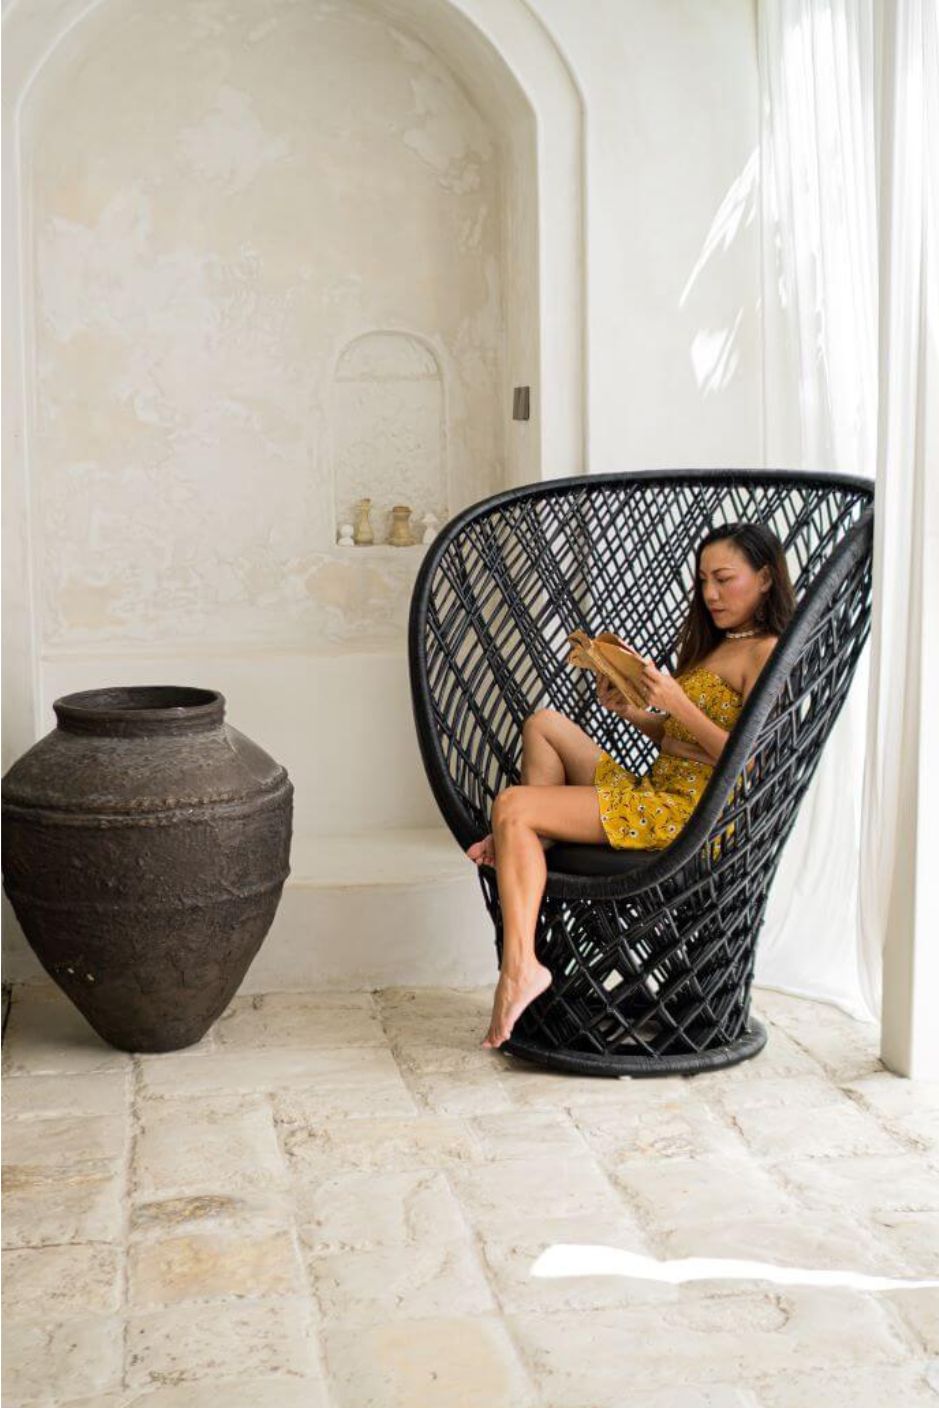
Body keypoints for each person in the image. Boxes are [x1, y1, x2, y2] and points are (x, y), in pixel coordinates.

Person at [467, 521, 796, 1050]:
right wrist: (632, 712)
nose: (709, 593)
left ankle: (521, 965)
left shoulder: (767, 652)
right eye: (702, 580)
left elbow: (752, 763)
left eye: (724, 578)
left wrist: (677, 703)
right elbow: (680, 741)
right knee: (544, 724)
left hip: (691, 817)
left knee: (513, 804)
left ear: (763, 578)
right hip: (654, 794)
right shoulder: (717, 647)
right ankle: (534, 838)